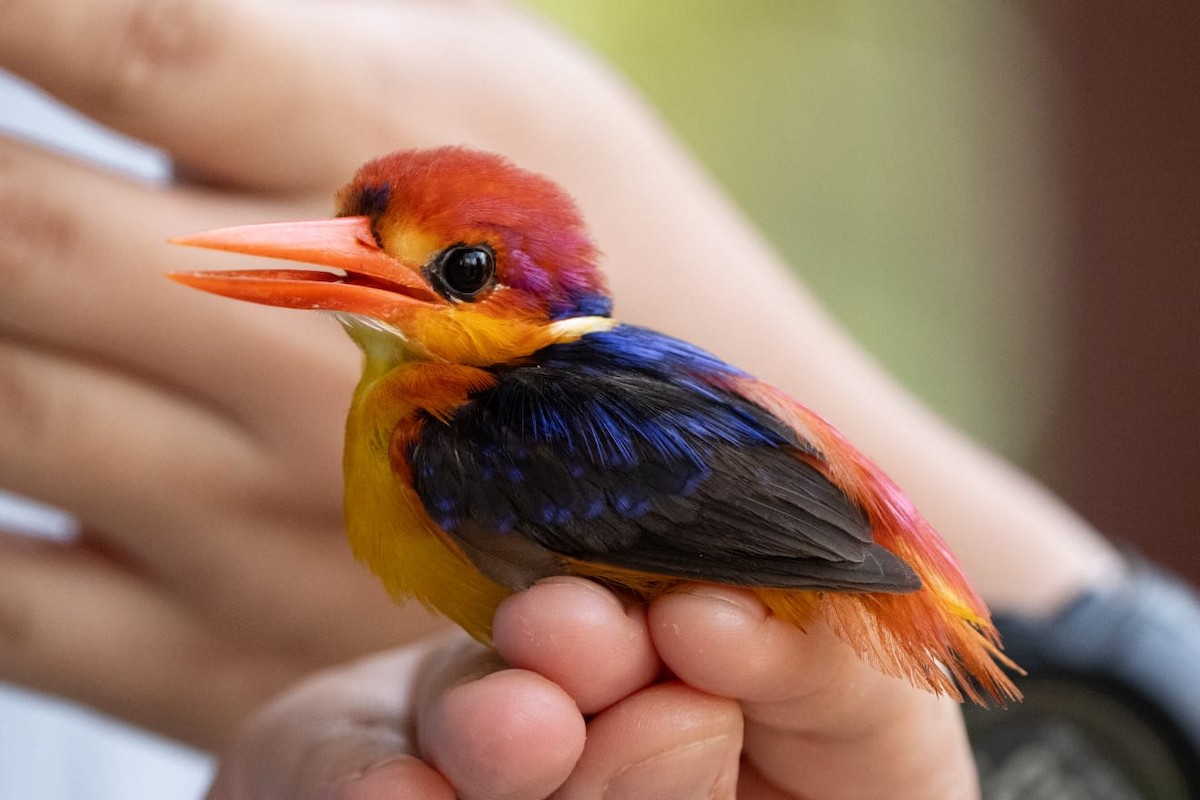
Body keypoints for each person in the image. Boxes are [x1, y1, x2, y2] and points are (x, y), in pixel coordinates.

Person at [0, 1, 1149, 798]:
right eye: (364, 239)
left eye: (458, 272)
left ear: (531, 308)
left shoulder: (458, 425)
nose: (370, 272)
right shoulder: (430, 407)